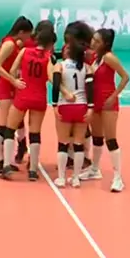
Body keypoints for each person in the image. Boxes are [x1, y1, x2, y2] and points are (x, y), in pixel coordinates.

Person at [0, 24, 56, 180]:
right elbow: (51, 78)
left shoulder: (24, 51)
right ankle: (32, 170)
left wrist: (17, 80)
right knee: (35, 133)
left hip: (23, 95)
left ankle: (6, 166)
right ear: (50, 44)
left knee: (10, 129)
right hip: (39, 98)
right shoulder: (48, 57)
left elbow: (12, 71)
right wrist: (64, 89)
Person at [78, 29, 130, 192]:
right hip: (96, 103)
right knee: (97, 137)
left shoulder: (109, 58)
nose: (93, 42)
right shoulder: (94, 57)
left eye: (97, 41)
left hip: (108, 104)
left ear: (105, 44)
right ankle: (94, 169)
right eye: (93, 39)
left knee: (111, 140)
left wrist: (114, 96)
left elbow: (125, 77)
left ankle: (117, 178)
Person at [0, 16, 33, 174]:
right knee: (3, 126)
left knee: (6, 126)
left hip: (8, 86)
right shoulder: (10, 43)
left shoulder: (11, 42)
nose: (28, 38)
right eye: (28, 34)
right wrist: (12, 79)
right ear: (22, 31)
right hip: (5, 88)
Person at [51, 40, 93, 188]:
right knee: (78, 144)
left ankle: (61, 178)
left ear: (67, 52)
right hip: (81, 107)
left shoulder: (59, 65)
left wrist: (54, 105)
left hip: (65, 106)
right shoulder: (86, 67)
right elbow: (90, 89)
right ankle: (75, 178)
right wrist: (90, 108)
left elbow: (56, 86)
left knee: (62, 143)